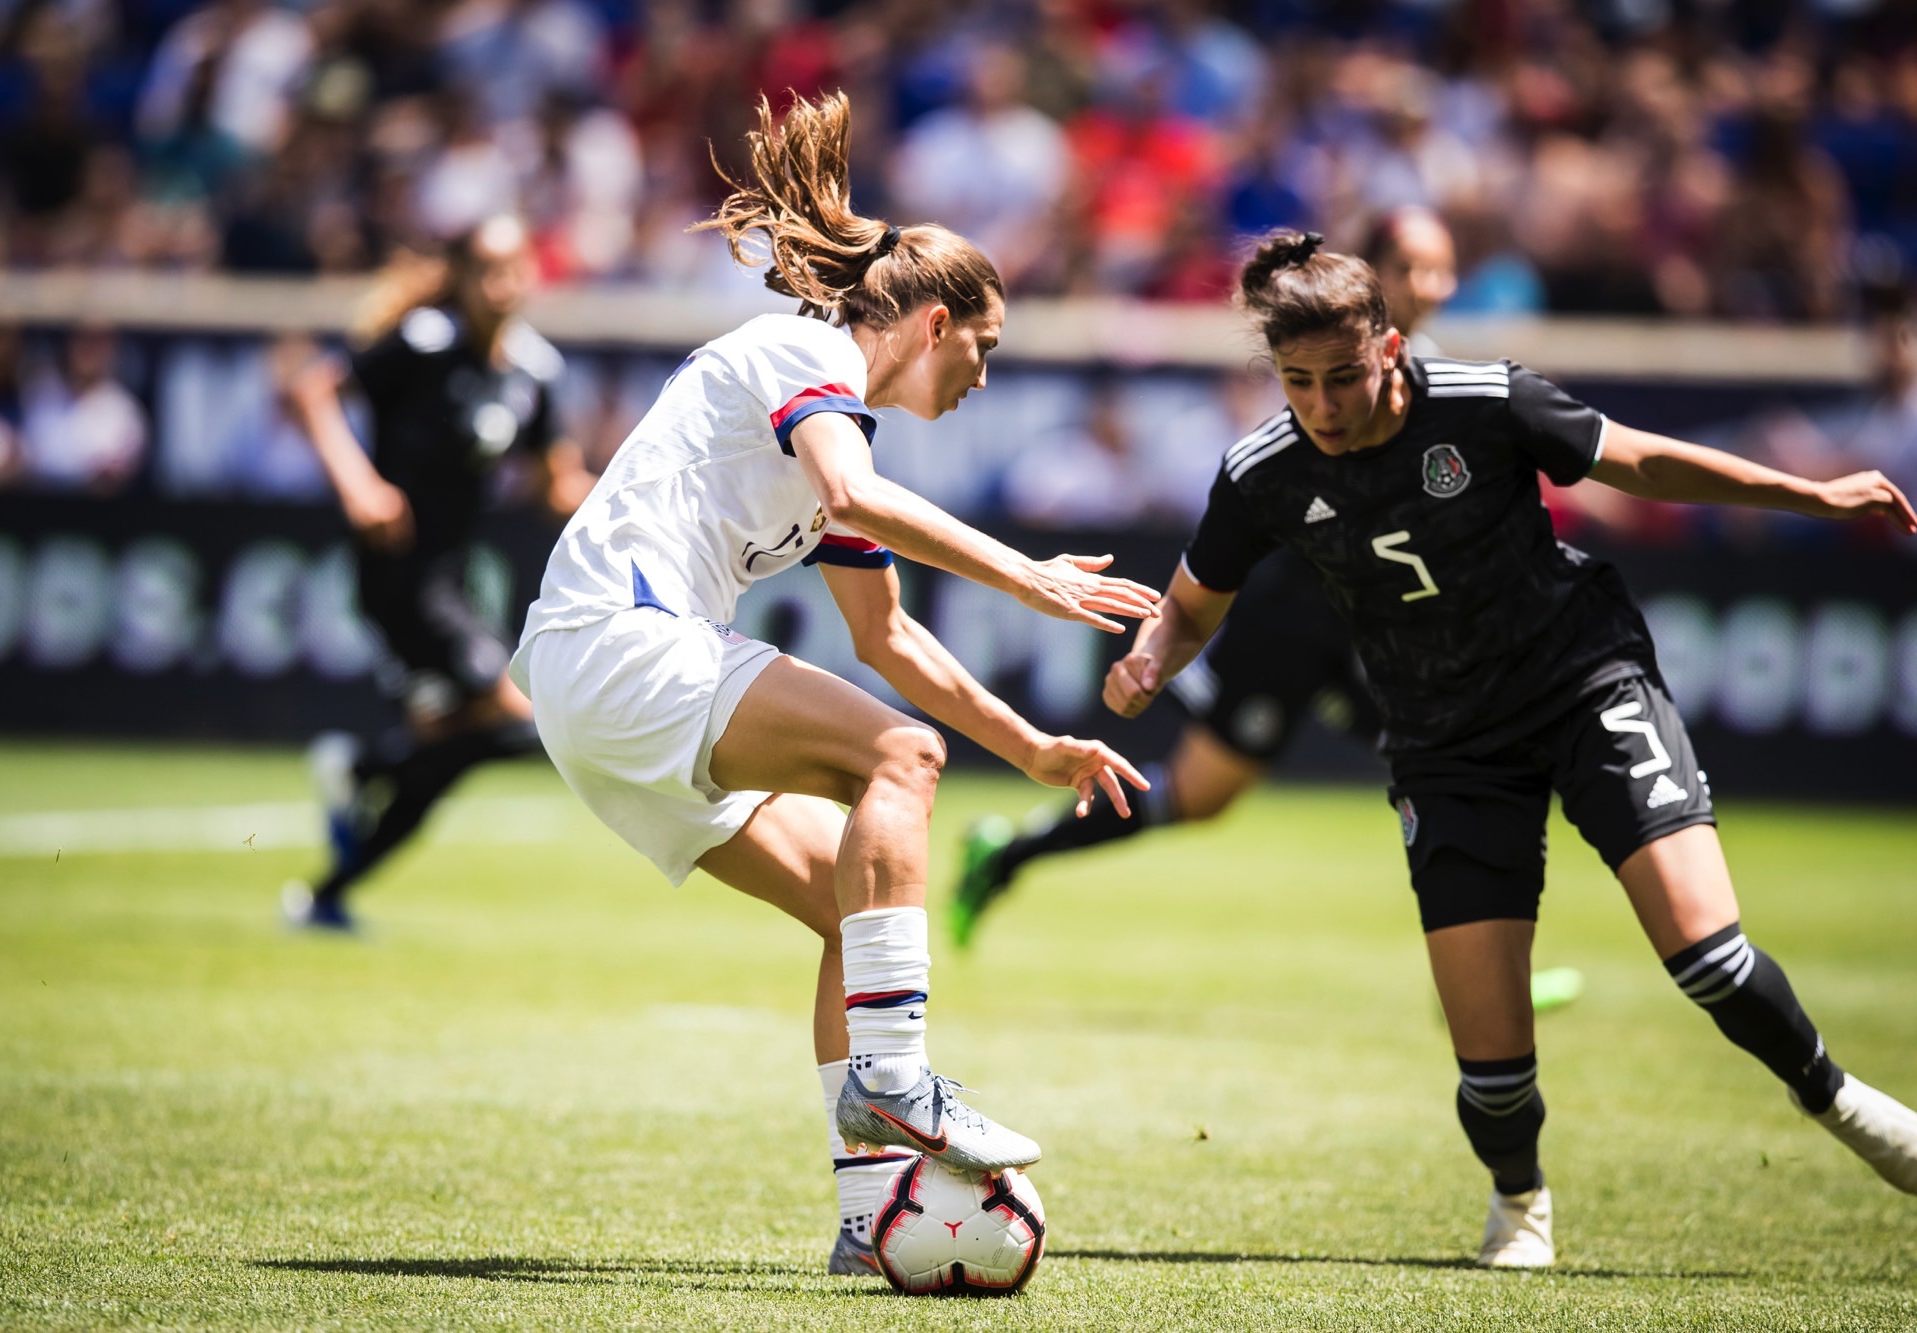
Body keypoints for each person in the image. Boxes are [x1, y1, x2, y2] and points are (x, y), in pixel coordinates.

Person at [1103, 230, 1917, 1268]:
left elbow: (1642, 460)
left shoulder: (1484, 401)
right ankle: (1517, 1198)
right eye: (1298, 383)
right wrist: (1148, 659)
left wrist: (1808, 495)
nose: (1323, 404)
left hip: (1579, 681)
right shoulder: (1261, 471)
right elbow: (1187, 603)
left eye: (1343, 376)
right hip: (1442, 740)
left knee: (1705, 957)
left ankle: (1840, 1103)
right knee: (1489, 1065)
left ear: (1388, 349)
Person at [511, 91, 1159, 1277]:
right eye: (985, 345)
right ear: (929, 321)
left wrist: (1036, 749)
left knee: (852, 913)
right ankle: (900, 1084)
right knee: (901, 757)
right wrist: (1024, 574)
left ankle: (869, 1221)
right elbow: (858, 507)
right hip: (621, 641)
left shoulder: (837, 430)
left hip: (591, 694)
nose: (984, 373)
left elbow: (889, 641)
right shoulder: (800, 353)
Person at [951, 207, 1457, 952]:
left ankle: (1482, 975)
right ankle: (1010, 852)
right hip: (1293, 617)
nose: (1432, 284)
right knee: (1206, 793)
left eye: (1442, 267)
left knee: (1437, 769)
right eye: (1413, 267)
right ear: (1374, 275)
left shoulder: (1429, 370)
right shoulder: (1332, 374)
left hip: (1358, 619)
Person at [280, 214, 593, 930]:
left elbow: (555, 485)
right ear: (459, 275)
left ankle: (330, 887)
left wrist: (646, 505)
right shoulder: (425, 341)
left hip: (450, 581)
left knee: (454, 748)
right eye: (486, 268)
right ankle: (364, 773)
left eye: (513, 267)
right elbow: (313, 391)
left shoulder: (534, 370)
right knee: (522, 719)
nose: (501, 283)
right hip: (395, 574)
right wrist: (359, 486)